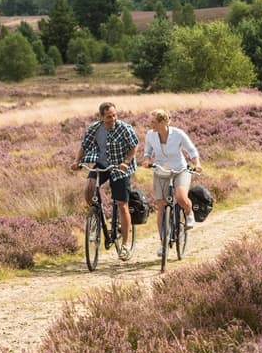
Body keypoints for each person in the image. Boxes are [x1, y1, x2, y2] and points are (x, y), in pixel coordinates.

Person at [70, 101, 140, 260]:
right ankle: (95, 211)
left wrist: (126, 162)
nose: (113, 118)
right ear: (101, 117)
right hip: (102, 164)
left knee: (122, 205)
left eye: (114, 115)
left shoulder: (124, 128)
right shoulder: (94, 129)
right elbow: (84, 146)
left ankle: (126, 246)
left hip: (120, 166)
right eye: (109, 117)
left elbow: (134, 146)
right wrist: (77, 162)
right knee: (89, 186)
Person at [138, 108, 201, 258]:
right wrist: (147, 160)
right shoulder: (150, 135)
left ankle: (188, 212)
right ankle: (163, 243)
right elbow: (147, 152)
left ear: (162, 122)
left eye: (153, 122)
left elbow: (191, 151)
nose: (150, 125)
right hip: (160, 171)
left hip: (180, 170)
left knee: (180, 197)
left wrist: (197, 163)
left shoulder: (178, 134)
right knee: (161, 206)